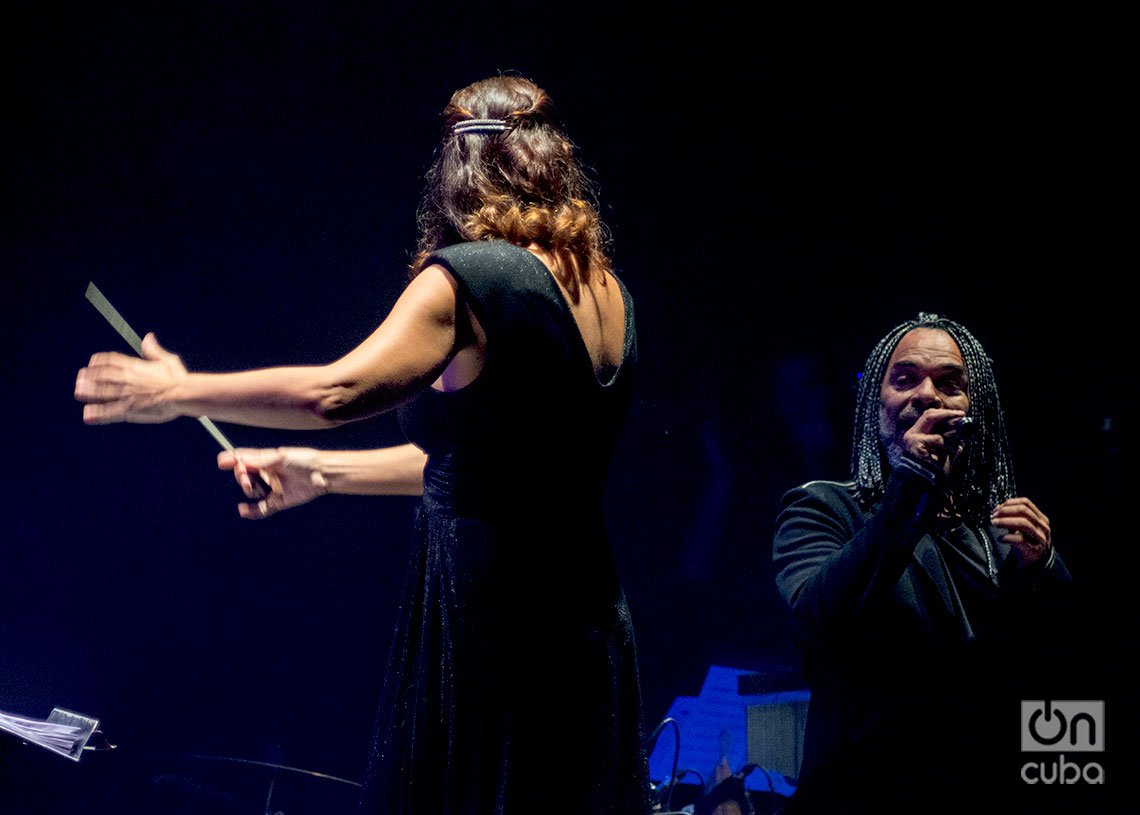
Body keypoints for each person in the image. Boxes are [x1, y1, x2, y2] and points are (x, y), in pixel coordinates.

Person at [75, 75, 651, 815]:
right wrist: (322, 473)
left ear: (455, 173)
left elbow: (335, 393)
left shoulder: (470, 279)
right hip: (583, 620)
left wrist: (178, 391)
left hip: (492, 626)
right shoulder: (608, 290)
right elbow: (486, 471)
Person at [772, 313, 1072, 813]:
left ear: (979, 411)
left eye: (950, 384)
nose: (927, 396)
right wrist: (909, 486)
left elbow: (1066, 686)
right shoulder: (824, 508)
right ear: (876, 405)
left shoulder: (1005, 532)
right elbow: (818, 622)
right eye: (905, 379)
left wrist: (1043, 574)